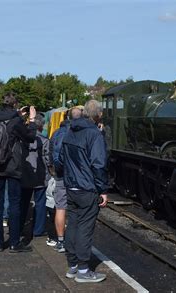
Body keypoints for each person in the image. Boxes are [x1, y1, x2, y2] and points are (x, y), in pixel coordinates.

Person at [57, 100, 108, 283]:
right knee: (85, 228)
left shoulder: (70, 131)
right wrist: (102, 189)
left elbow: (61, 159)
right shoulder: (94, 135)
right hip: (87, 188)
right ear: (99, 115)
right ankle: (84, 270)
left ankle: (72, 266)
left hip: (71, 186)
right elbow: (99, 164)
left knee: (73, 225)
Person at [0, 92, 37, 253]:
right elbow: (30, 137)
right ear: (15, 105)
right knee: (15, 203)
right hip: (12, 166)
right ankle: (14, 242)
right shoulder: (16, 122)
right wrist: (32, 120)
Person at [48, 107, 82, 252]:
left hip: (60, 174)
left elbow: (49, 154)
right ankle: (75, 240)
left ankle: (60, 241)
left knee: (60, 207)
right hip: (76, 176)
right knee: (76, 209)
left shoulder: (56, 133)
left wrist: (53, 170)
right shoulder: (79, 133)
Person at [20, 115, 50, 240]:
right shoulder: (44, 140)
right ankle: (38, 229)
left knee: (23, 202)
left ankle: (19, 226)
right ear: (41, 126)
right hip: (40, 175)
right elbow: (48, 159)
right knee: (40, 202)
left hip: (25, 174)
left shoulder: (23, 139)